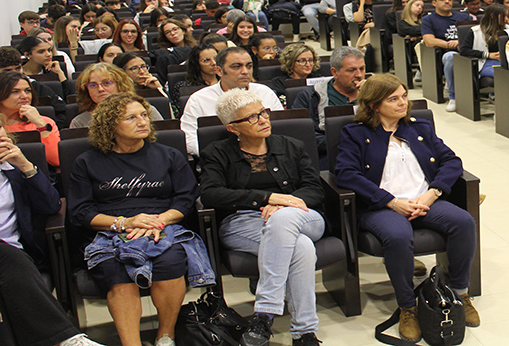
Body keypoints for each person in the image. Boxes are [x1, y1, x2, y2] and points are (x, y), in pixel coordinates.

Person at [334, 74, 479, 342]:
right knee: (399, 236)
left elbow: (451, 161)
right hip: (382, 206)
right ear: (374, 105)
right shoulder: (355, 133)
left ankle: (460, 293)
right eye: (393, 99)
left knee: (463, 222)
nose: (403, 103)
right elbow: (346, 174)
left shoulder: (419, 128)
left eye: (403, 96)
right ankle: (408, 307)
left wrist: (432, 193)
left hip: (423, 200)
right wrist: (391, 201)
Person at [68, 93, 213, 346]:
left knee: (170, 260)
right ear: (110, 125)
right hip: (111, 230)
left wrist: (158, 221)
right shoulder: (87, 161)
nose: (142, 121)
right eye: (131, 117)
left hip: (162, 227)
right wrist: (125, 222)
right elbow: (81, 211)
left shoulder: (168, 155)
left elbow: (185, 199)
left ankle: (165, 336)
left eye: (144, 115)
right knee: (117, 271)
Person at [200, 90, 327, 346]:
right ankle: (304, 333)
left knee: (283, 222)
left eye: (263, 112)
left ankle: (264, 314)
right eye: (252, 117)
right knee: (300, 247)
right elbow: (211, 193)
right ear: (232, 128)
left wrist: (283, 207)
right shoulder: (217, 152)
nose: (262, 119)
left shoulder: (291, 145)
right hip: (244, 222)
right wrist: (268, 198)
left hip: (303, 217)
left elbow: (314, 188)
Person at [0, 122, 105, 346]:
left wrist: (25, 166)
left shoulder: (13, 170)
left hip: (17, 260)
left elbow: (51, 206)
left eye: (2, 139)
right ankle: (67, 339)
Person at [181, 47, 283, 155]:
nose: (245, 72)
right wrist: (219, 156)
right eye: (236, 67)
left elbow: (280, 128)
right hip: (219, 160)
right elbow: (189, 138)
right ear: (219, 71)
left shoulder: (265, 92)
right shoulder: (199, 99)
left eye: (249, 66)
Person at [291, 47, 365, 165]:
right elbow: (303, 134)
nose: (359, 75)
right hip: (330, 156)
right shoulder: (310, 96)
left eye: (362, 68)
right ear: (335, 72)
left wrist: (374, 96)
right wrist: (346, 143)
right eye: (351, 70)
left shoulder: (374, 94)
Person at [421, 0, 472, 112]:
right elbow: (429, 40)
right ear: (434, 3)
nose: (447, 1)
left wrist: (460, 42)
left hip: (467, 49)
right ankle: (453, 97)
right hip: (444, 53)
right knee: (451, 57)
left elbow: (474, 34)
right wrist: (450, 44)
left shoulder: (464, 17)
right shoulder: (429, 19)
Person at [71, 63, 164, 128]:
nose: (100, 89)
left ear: (120, 85)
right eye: (93, 85)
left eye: (106, 83)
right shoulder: (79, 122)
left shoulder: (146, 111)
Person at [0, 71, 60, 168]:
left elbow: (57, 160)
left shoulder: (44, 122)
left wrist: (40, 124)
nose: (24, 96)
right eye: (15, 92)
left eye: (28, 91)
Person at [459, 3, 507, 88]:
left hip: (504, 62)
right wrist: (487, 55)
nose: (506, 19)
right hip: (484, 63)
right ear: (492, 16)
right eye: (503, 16)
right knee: (504, 76)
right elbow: (464, 50)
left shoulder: (508, 29)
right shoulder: (475, 31)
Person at [170, 44, 219, 110]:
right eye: (206, 60)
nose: (214, 63)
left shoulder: (228, 83)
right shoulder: (184, 87)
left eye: (216, 59)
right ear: (197, 64)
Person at [398, 0, 425, 82]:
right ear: (409, 6)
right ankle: (421, 70)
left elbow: (431, 29)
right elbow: (409, 31)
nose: (420, 7)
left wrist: (417, 36)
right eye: (417, 5)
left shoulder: (424, 20)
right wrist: (422, 34)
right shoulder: (403, 22)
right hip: (410, 46)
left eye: (422, 6)